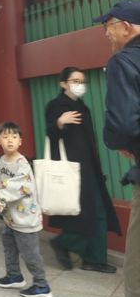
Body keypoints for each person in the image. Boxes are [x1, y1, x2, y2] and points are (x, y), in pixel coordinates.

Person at [45, 66, 120, 273]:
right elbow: (51, 133)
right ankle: (65, 243)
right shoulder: (57, 105)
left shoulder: (82, 107)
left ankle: (93, 259)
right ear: (63, 84)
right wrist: (59, 122)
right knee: (88, 213)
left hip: (89, 169)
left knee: (98, 212)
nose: (80, 85)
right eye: (75, 81)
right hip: (72, 170)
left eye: (82, 81)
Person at [97, 0, 140, 297]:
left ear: (127, 27)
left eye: (108, 25)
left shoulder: (123, 61)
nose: (105, 32)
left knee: (137, 285)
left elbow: (122, 124)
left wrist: (123, 141)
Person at [0, 121, 52, 297]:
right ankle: (14, 275)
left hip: (25, 217)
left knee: (29, 252)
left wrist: (0, 192)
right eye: (6, 137)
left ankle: (42, 284)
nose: (10, 140)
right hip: (11, 216)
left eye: (14, 137)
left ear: (20, 141)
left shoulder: (22, 163)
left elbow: (21, 186)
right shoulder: (3, 160)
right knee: (8, 244)